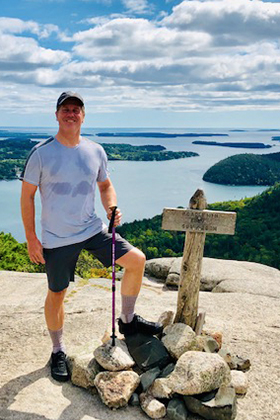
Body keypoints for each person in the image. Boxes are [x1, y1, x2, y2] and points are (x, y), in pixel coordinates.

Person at [20, 91, 163, 382]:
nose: (71, 113)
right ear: (56, 115)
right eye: (65, 109)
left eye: (76, 109)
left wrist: (112, 206)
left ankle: (128, 321)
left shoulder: (95, 150)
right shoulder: (41, 154)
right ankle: (58, 350)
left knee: (136, 261)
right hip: (57, 238)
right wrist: (31, 238)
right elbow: (27, 197)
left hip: (93, 229)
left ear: (83, 116)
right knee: (57, 293)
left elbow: (105, 184)